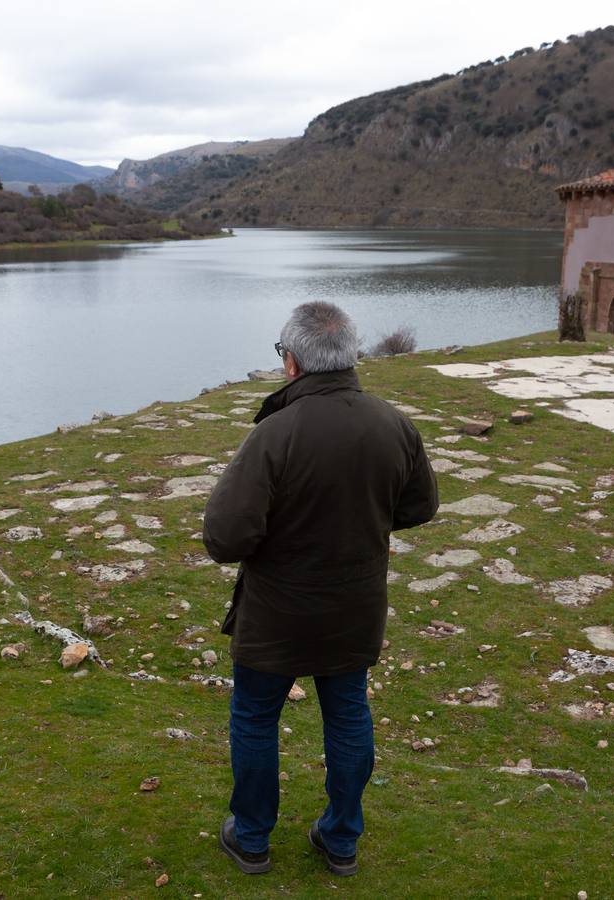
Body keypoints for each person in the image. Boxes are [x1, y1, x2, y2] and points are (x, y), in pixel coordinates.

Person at [203, 301, 439, 877]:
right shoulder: (393, 424)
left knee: (256, 716)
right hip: (354, 604)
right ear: (350, 356)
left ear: (292, 364)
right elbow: (421, 505)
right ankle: (340, 840)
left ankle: (252, 837)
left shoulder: (274, 435)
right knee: (348, 711)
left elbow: (226, 537)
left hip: (275, 609)